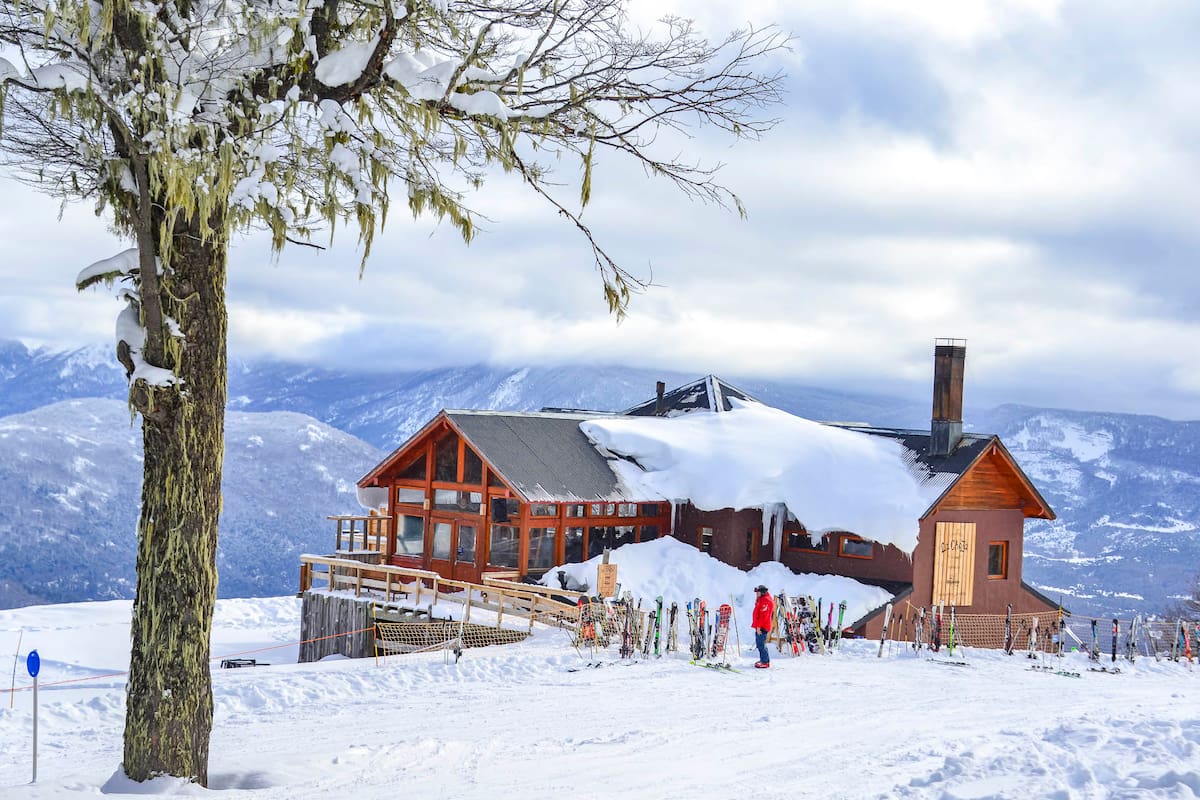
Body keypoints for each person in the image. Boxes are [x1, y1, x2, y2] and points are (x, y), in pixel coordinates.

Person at [752, 584, 775, 668]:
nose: (756, 594)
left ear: (762, 592)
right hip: (760, 625)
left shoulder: (766, 601)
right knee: (759, 643)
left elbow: (763, 616)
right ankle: (763, 659)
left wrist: (759, 627)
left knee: (761, 644)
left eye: (758, 592)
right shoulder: (761, 599)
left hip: (763, 626)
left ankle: (765, 661)